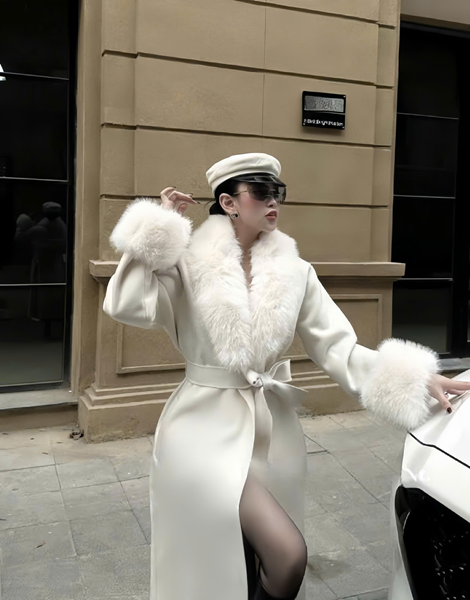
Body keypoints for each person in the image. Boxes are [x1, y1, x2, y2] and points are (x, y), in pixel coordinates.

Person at [103, 153, 470, 600]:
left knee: (251, 559)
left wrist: (415, 379)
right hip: (198, 430)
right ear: (229, 203)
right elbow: (124, 304)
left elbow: (338, 348)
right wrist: (158, 228)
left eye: (277, 192)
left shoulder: (296, 273)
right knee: (285, 556)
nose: (273, 201)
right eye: (260, 192)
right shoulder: (186, 264)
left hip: (271, 430)